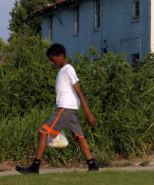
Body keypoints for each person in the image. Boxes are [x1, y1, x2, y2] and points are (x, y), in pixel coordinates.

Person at [16, 43, 99, 174]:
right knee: (79, 137)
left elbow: (79, 91)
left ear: (61, 56)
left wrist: (89, 113)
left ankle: (34, 168)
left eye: (53, 59)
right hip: (70, 109)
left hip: (65, 108)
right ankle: (93, 165)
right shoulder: (62, 71)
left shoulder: (68, 69)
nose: (51, 63)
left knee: (44, 132)